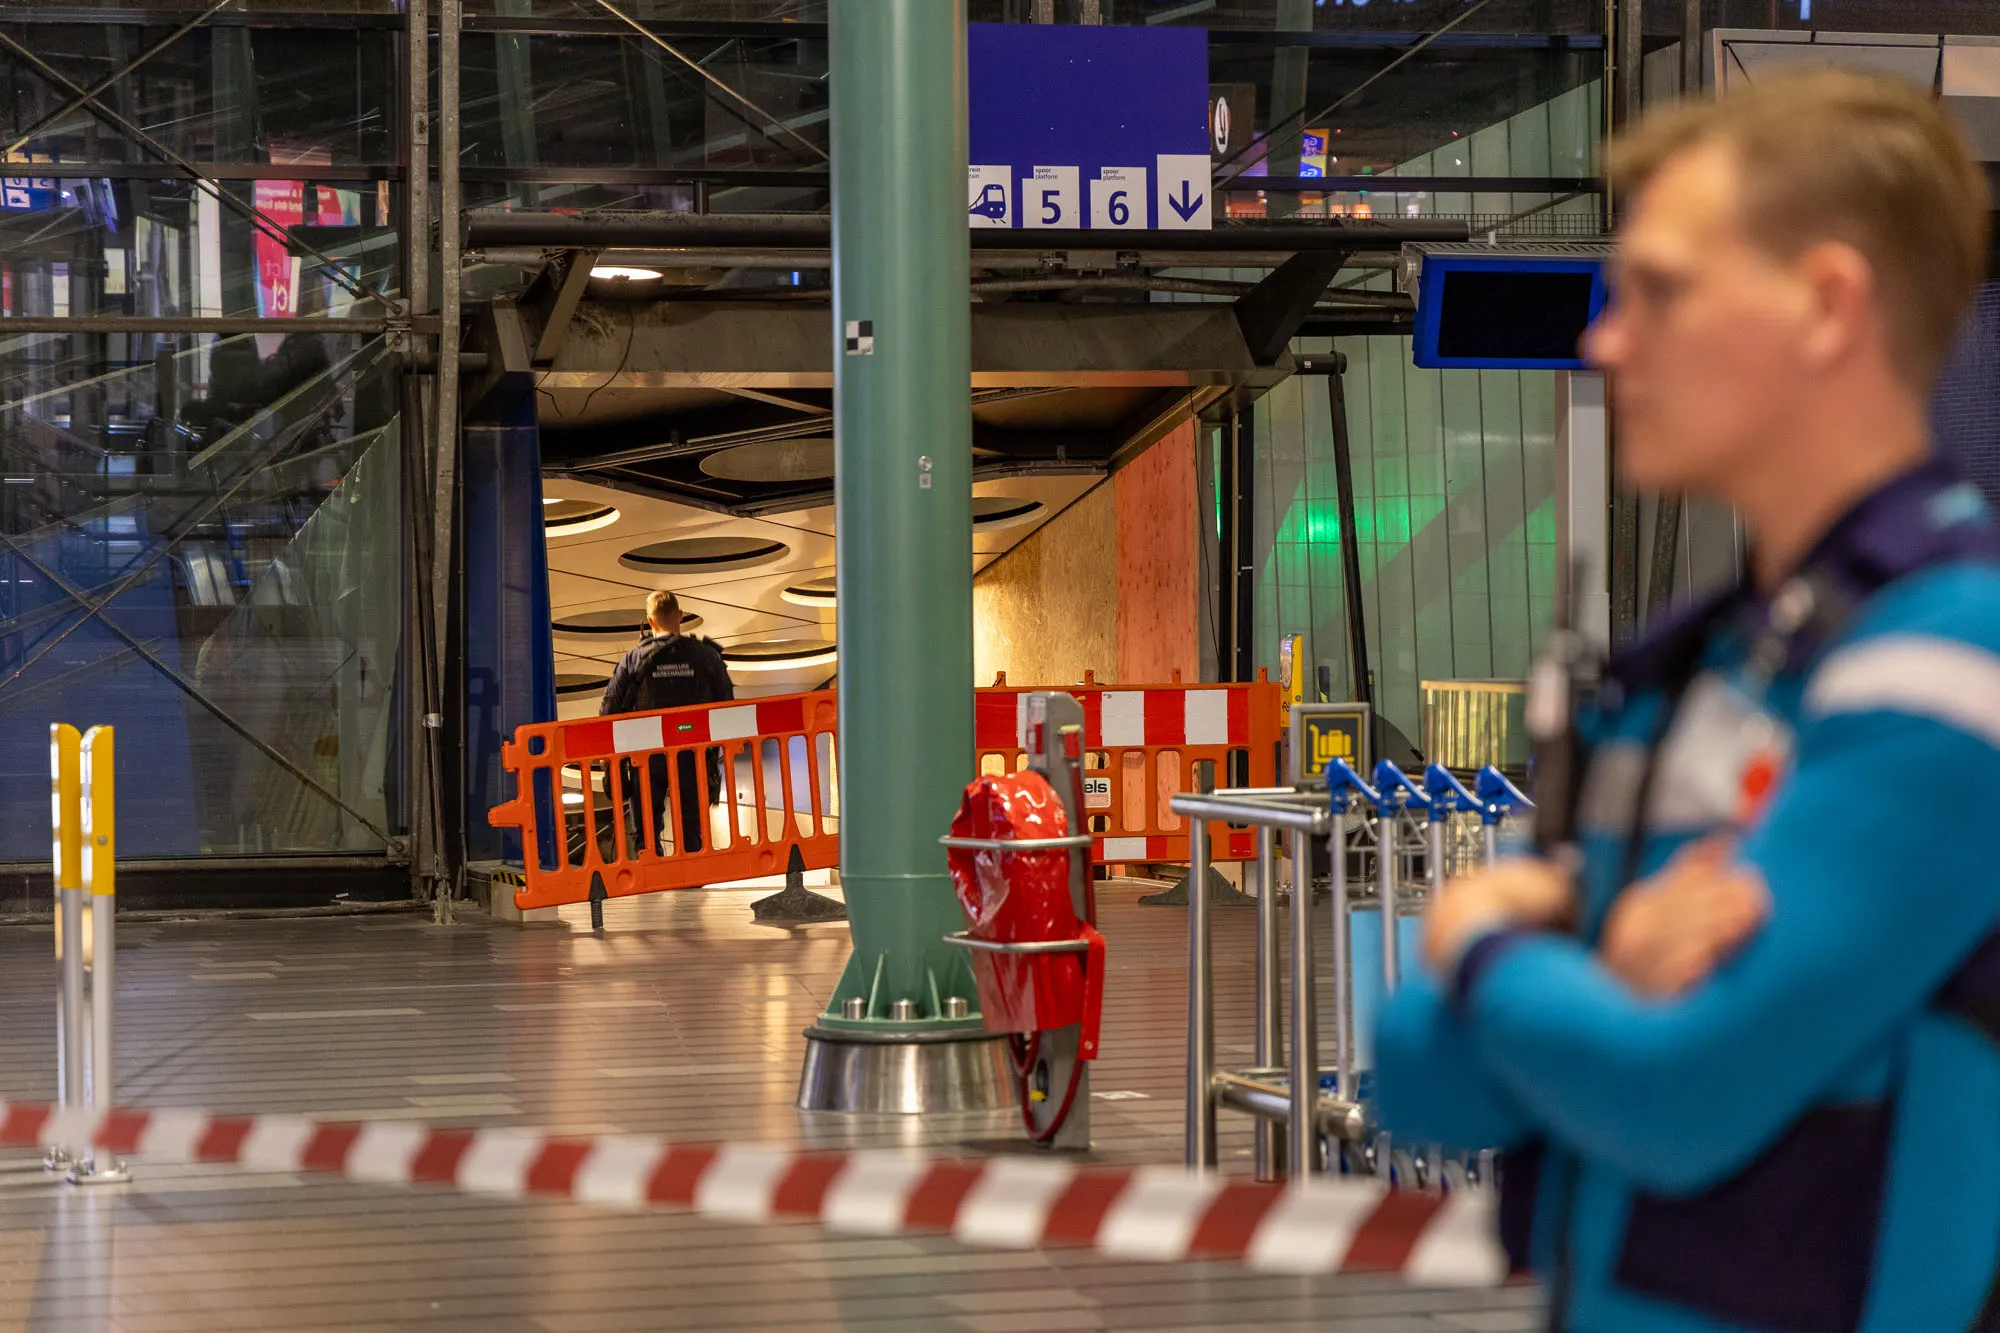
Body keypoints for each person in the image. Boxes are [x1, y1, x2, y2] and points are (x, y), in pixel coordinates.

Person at [1376, 71, 2000, 1332]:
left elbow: (1670, 1094)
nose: (1606, 338)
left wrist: (1479, 944)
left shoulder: (1951, 667)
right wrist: (1599, 972)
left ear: (1826, 306)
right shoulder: (1691, 675)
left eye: (1661, 291)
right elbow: (1415, 1080)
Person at [599, 590, 734, 854]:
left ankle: (652, 873)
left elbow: (610, 707)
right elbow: (727, 702)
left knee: (646, 822)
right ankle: (692, 873)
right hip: (693, 750)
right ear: (680, 617)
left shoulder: (633, 659)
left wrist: (607, 756)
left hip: (646, 753)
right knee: (691, 819)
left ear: (650, 621)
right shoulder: (705, 656)